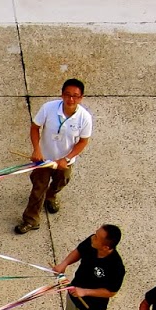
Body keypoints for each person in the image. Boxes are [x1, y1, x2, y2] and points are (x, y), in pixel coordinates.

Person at [16, 77, 92, 234]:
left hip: (64, 162)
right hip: (44, 159)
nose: (71, 99)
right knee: (38, 189)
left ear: (81, 98)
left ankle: (50, 196)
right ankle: (31, 220)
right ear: (62, 94)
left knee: (61, 182)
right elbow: (35, 128)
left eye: (75, 96)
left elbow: (83, 141)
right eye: (67, 95)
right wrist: (37, 150)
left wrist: (67, 158)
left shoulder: (85, 118)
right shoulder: (48, 108)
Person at [50, 225, 124, 310]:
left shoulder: (116, 267)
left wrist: (84, 292)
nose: (92, 237)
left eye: (96, 237)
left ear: (106, 247)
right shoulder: (92, 243)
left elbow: (111, 292)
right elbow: (79, 251)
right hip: (74, 291)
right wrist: (64, 264)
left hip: (93, 306)